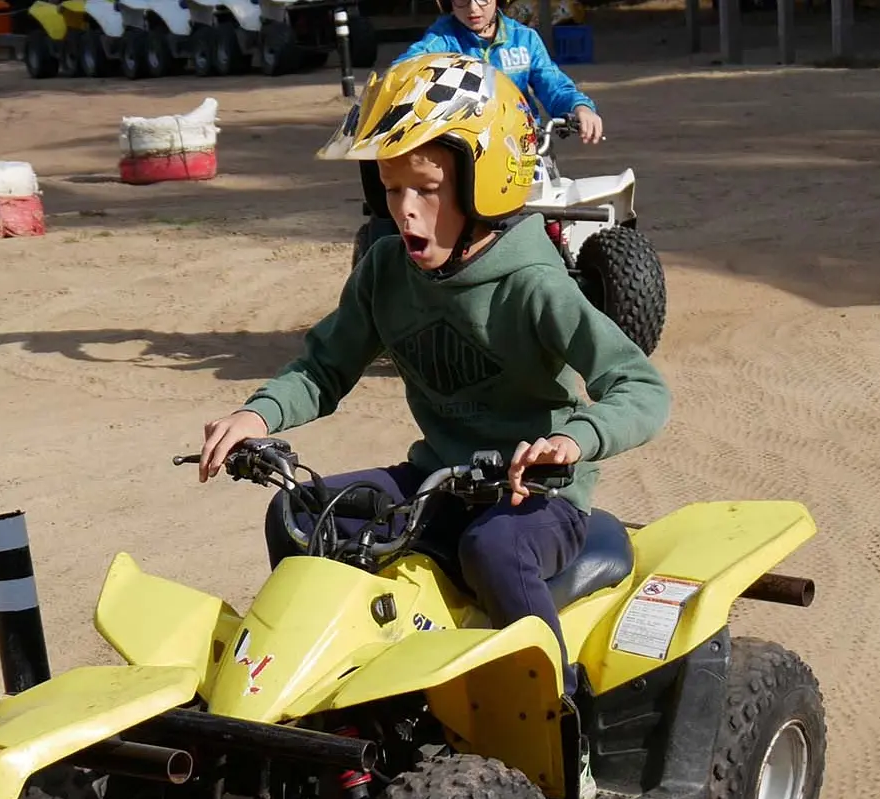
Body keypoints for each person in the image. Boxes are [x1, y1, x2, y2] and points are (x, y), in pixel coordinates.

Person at [196, 53, 669, 689]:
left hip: (534, 496)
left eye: (427, 189)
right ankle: (338, 682)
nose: (405, 210)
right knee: (300, 514)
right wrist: (258, 412)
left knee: (492, 550)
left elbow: (640, 387)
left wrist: (572, 442)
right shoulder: (385, 271)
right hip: (436, 481)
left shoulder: (532, 285)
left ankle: (561, 705)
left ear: (486, 185)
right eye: (392, 189)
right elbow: (322, 366)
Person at [398, 0, 604, 144]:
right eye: (462, 0)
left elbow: (554, 85)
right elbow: (403, 70)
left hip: (525, 143)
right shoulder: (440, 39)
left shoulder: (525, 39)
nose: (473, 8)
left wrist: (580, 108)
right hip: (466, 147)